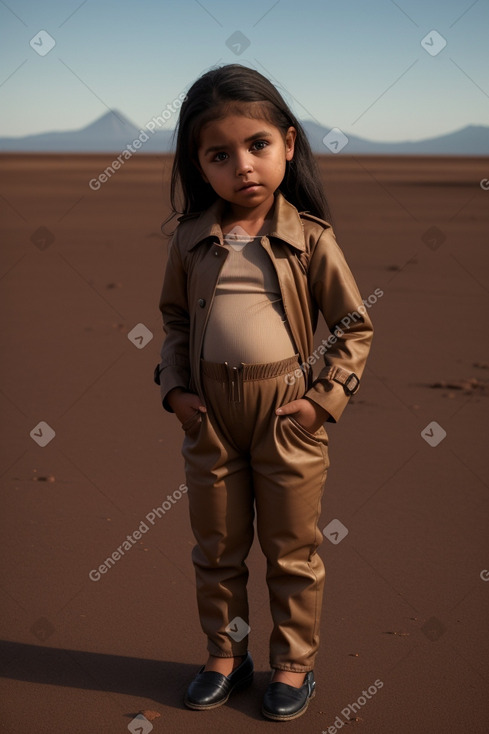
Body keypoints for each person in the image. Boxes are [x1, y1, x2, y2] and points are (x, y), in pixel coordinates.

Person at [154, 63, 373, 722]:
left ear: (288, 143)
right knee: (216, 547)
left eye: (257, 145)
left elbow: (354, 327)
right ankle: (226, 655)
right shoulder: (191, 241)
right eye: (218, 155)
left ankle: (292, 665)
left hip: (286, 415)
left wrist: (322, 401)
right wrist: (176, 393)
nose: (241, 166)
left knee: (291, 549)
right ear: (199, 165)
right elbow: (173, 321)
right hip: (209, 417)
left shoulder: (310, 238)